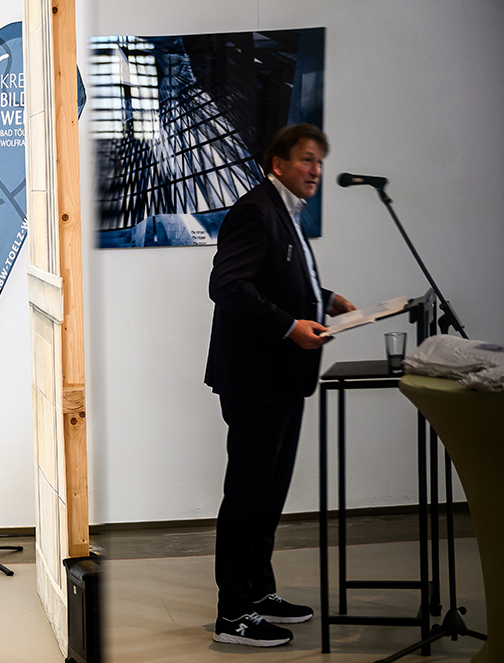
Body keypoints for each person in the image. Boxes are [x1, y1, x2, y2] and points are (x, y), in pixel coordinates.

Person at [204, 124, 356, 648]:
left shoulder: (285, 211)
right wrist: (290, 326)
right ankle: (232, 615)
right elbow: (227, 285)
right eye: (307, 159)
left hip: (283, 378)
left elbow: (277, 276)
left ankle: (258, 591)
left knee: (269, 496)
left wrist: (323, 298)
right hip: (256, 379)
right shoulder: (256, 209)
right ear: (278, 163)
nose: (316, 170)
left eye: (320, 161)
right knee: (248, 497)